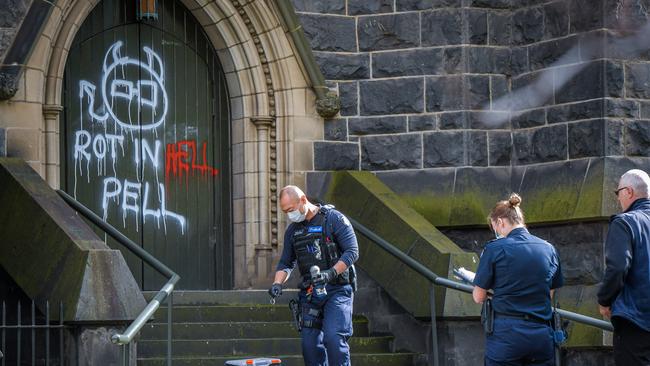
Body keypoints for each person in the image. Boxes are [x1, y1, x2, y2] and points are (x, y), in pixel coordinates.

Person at [268, 185, 359, 366]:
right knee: (310, 347)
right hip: (311, 294)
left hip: (337, 290)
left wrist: (330, 273)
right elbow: (286, 263)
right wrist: (277, 284)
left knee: (333, 339)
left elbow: (352, 251)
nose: (289, 215)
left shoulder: (333, 219)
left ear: (303, 200)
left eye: (291, 210)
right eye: (285, 211)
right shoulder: (293, 232)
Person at [472, 193, 564, 366]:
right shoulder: (549, 249)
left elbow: (478, 297)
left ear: (500, 222)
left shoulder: (494, 249)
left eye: (495, 228)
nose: (496, 232)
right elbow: (549, 294)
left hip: (507, 335)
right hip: (541, 335)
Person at [597, 169, 650, 365]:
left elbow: (618, 267)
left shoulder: (625, 222)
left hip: (636, 322)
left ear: (628, 191)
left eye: (617, 192)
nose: (618, 198)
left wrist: (604, 300)